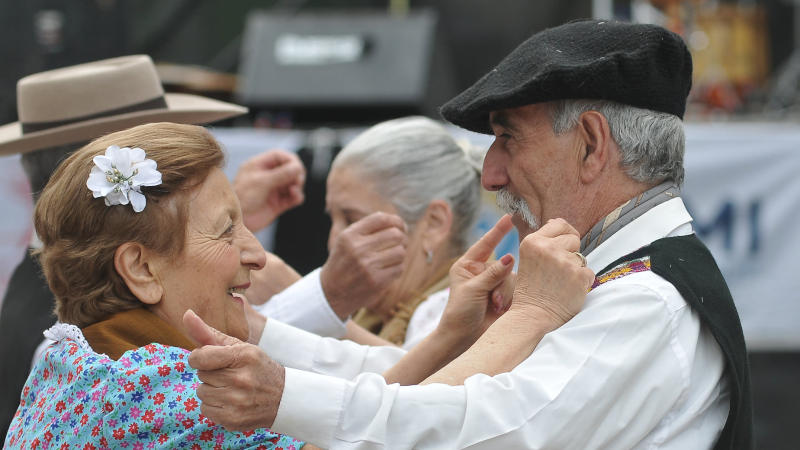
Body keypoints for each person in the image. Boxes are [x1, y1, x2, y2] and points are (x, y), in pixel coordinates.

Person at [182, 19, 752, 449]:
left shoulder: (645, 300)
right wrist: (259, 335)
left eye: (509, 138)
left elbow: (482, 430)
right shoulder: (609, 278)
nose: (491, 173)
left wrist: (283, 395)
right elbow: (418, 386)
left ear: (591, 144)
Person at [0, 55, 306, 439]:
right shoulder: (161, 392)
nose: (257, 255)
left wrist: (214, 221)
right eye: (160, 142)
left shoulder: (65, 351)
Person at [251, 116, 488, 349]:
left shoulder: (472, 312)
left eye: (353, 219)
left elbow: (421, 384)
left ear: (434, 223)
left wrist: (318, 300)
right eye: (331, 219)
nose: (335, 242)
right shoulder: (365, 315)